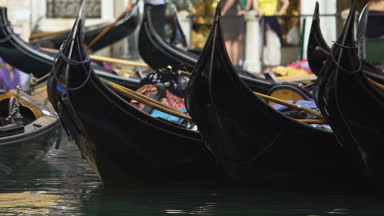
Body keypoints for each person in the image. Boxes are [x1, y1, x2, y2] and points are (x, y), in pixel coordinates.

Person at [251, 0, 289, 74]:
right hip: (263, 20)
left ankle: (273, 66)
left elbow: (286, 2)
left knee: (273, 42)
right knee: (265, 43)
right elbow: (255, 6)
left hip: (272, 20)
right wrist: (259, 11)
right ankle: (268, 66)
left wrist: (280, 12)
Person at [221, 0, 245, 66]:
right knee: (234, 43)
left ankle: (231, 65)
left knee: (229, 42)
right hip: (233, 15)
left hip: (228, 16)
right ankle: (234, 66)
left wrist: (223, 11)